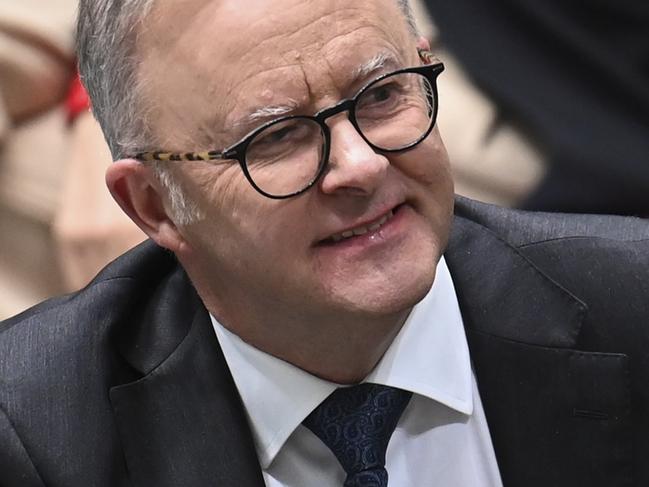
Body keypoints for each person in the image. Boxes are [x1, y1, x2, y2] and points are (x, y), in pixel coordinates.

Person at [1, 1, 648, 486]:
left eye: (382, 94)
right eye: (277, 135)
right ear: (153, 204)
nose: (361, 165)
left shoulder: (632, 304)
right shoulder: (33, 436)